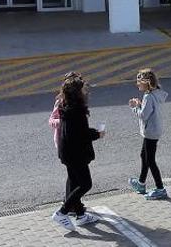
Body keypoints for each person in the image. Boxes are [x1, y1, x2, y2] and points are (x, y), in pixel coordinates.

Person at [51, 72, 103, 232]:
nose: (85, 91)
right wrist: (97, 134)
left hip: (66, 150)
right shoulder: (77, 110)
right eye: (82, 89)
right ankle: (62, 212)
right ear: (77, 93)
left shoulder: (64, 105)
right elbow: (80, 134)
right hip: (75, 153)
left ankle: (80, 215)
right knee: (85, 184)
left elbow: (76, 131)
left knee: (73, 180)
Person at [128, 68, 169, 200]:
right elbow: (149, 110)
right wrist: (141, 104)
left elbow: (143, 115)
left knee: (150, 160)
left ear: (146, 82)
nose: (137, 84)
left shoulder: (148, 96)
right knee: (144, 155)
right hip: (155, 130)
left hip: (150, 131)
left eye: (139, 81)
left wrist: (135, 106)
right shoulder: (156, 93)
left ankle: (160, 188)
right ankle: (141, 183)